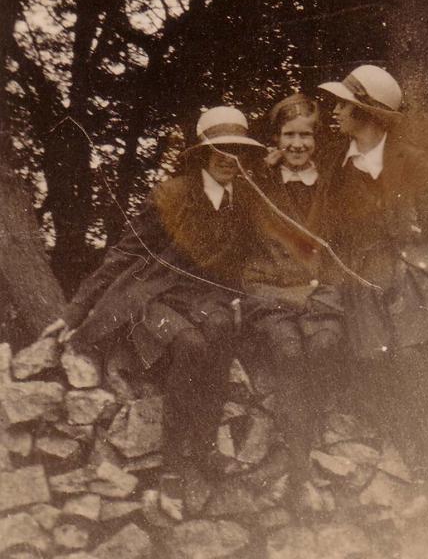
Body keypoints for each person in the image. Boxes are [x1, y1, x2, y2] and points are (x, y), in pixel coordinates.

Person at [41, 106, 263, 518]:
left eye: (237, 150)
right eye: (220, 149)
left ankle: (207, 447)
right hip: (151, 297)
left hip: (202, 298)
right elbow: (123, 254)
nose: (229, 159)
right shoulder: (171, 195)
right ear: (202, 152)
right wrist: (74, 312)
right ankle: (172, 473)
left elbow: (245, 263)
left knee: (222, 328)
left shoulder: (243, 201)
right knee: (192, 345)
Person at [312, 65, 428, 506]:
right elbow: (322, 233)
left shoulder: (413, 163)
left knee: (413, 362)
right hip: (361, 283)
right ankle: (424, 473)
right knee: (370, 371)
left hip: (412, 277)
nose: (336, 112)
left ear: (368, 115)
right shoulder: (335, 167)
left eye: (345, 104)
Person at [241, 93, 343, 509]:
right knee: (287, 349)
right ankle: (301, 472)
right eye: (288, 135)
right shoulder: (258, 185)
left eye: (306, 135)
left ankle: (297, 461)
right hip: (271, 288)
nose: (297, 144)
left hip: (323, 289)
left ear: (317, 139)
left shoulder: (332, 183)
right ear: (275, 139)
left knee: (322, 346)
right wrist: (255, 170)